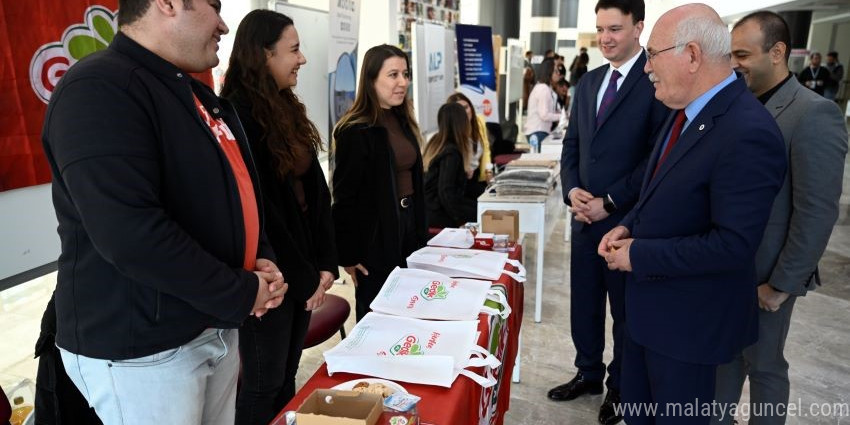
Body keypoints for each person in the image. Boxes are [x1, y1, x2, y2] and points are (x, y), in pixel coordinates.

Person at [40, 0, 289, 423]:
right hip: (145, 348)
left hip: (209, 324)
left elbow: (234, 193)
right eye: (214, 7)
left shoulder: (188, 91)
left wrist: (258, 260)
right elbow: (131, 234)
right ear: (169, 4)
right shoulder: (99, 87)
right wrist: (242, 292)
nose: (224, 25)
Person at [600, 4, 787, 424]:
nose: (646, 67)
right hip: (648, 321)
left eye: (652, 54)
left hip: (688, 333)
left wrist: (639, 254)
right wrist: (630, 224)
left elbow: (733, 245)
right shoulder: (682, 110)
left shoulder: (748, 132)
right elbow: (664, 192)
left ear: (691, 55)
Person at [712, 11, 848, 425]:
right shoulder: (737, 104)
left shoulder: (814, 114)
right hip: (726, 267)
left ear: (777, 52)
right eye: (731, 54)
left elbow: (817, 210)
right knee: (724, 358)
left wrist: (782, 285)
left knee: (765, 367)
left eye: (742, 54)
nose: (734, 63)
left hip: (767, 275)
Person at [550, 1, 668, 424]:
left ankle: (620, 387)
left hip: (625, 223)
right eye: (600, 28)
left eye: (615, 28)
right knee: (584, 304)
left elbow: (656, 159)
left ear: (639, 27)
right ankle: (587, 373)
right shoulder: (589, 82)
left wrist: (610, 201)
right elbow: (573, 146)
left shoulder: (655, 81)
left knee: (624, 312)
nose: (605, 37)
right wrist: (572, 191)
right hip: (584, 220)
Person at [221, 10, 340, 424]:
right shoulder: (235, 115)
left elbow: (316, 191)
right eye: (293, 50)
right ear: (263, 55)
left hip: (305, 267)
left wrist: (326, 262)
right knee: (261, 383)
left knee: (286, 375)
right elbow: (264, 211)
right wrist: (305, 276)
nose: (303, 59)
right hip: (273, 275)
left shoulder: (286, 106)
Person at [332, 44, 428, 321]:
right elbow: (344, 197)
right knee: (379, 311)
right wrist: (348, 255)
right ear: (371, 80)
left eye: (405, 74)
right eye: (393, 75)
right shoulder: (355, 130)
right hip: (376, 237)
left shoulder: (402, 120)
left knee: (411, 305)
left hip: (409, 227)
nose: (403, 82)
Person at [423, 103, 478, 228]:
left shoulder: (436, 142)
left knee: (479, 207)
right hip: (437, 212)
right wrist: (460, 221)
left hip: (429, 208)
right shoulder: (451, 152)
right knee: (481, 212)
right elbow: (446, 193)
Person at [446, 92, 492, 198]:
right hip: (461, 181)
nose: (465, 112)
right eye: (460, 110)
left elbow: (486, 150)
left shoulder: (479, 122)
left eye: (466, 107)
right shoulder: (452, 133)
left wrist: (488, 172)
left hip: (478, 176)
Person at [524, 58, 561, 152]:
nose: (558, 74)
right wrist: (561, 116)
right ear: (549, 72)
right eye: (556, 71)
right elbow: (544, 115)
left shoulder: (544, 87)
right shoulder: (543, 89)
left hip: (539, 131)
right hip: (538, 132)